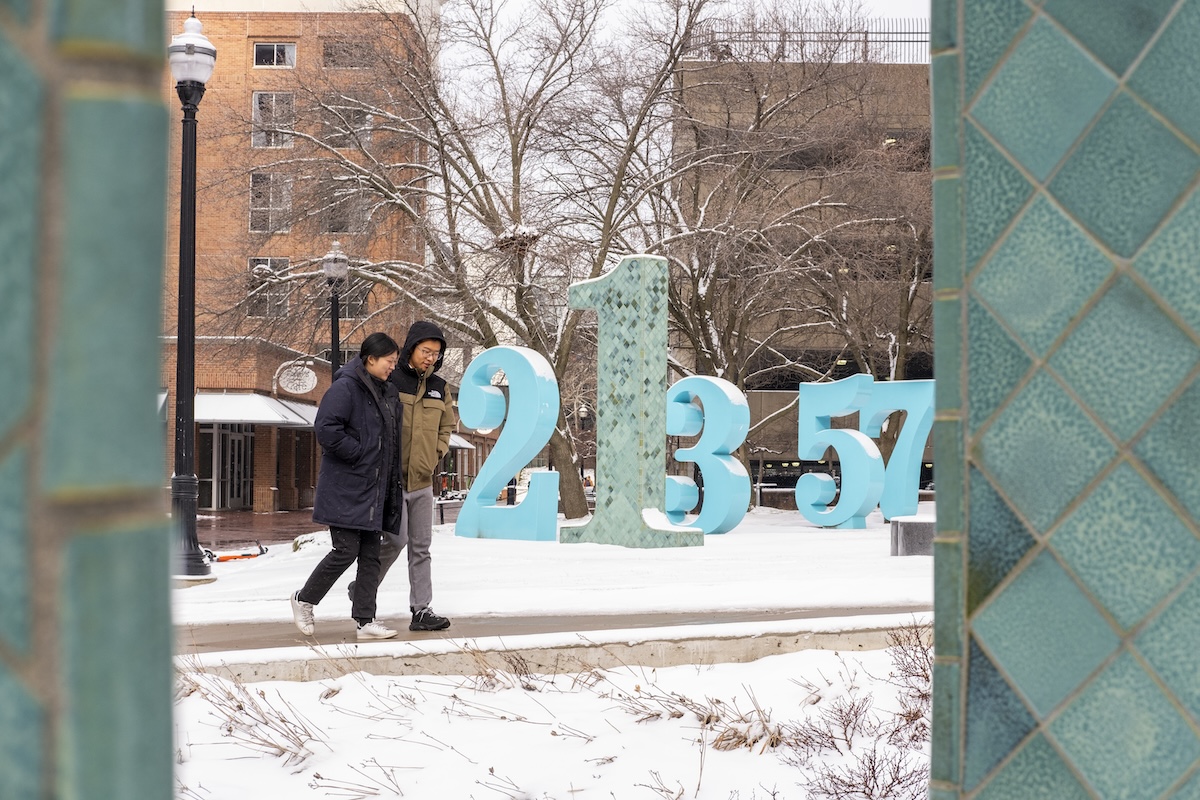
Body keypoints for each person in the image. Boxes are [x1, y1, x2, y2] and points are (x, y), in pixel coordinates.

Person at [291, 332, 404, 640]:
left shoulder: (387, 392)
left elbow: (391, 441)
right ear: (370, 359)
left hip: (375, 488)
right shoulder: (345, 387)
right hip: (345, 487)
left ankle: (365, 621)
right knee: (345, 550)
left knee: (371, 556)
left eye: (395, 361)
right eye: (389, 361)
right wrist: (359, 454)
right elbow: (326, 428)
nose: (392, 367)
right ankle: (304, 599)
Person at [351, 320, 455, 631]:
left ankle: (421, 610)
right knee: (396, 541)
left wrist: (435, 455)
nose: (431, 358)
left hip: (422, 481)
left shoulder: (440, 387)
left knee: (421, 548)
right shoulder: (390, 379)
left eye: (436, 354)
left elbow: (446, 427)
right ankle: (363, 589)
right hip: (391, 481)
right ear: (411, 348)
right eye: (426, 351)